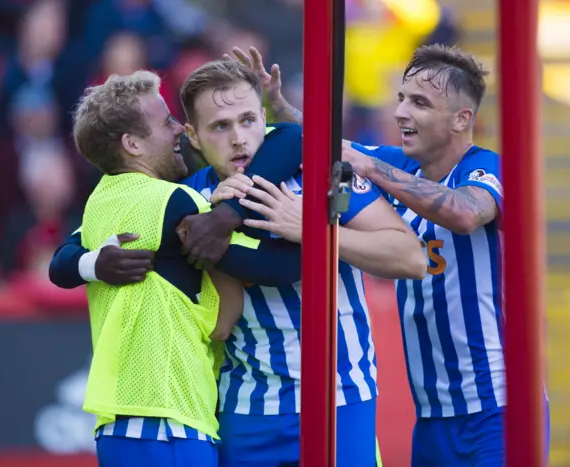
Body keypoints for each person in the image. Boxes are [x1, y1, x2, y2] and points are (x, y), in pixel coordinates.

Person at [50, 60, 427, 467]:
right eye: (219, 126)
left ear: (264, 119)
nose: (238, 139)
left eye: (247, 120)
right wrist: (91, 262)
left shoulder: (320, 174)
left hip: (339, 395)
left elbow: (410, 257)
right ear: (192, 135)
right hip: (243, 406)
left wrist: (311, 231)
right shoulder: (188, 195)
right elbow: (73, 248)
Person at [230, 44, 550, 466]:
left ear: (461, 119)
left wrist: (367, 167)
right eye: (401, 98)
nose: (401, 112)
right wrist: (279, 106)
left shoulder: (487, 168)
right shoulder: (402, 167)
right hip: (433, 415)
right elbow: (333, 147)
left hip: (500, 408)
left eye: (419, 102)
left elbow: (466, 213)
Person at [67, 69, 306, 467]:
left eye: (248, 120)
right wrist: (321, 237)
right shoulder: (179, 201)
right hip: (169, 416)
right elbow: (273, 272)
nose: (176, 127)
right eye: (165, 122)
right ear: (132, 144)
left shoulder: (98, 205)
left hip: (114, 421)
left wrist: (89, 263)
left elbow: (61, 265)